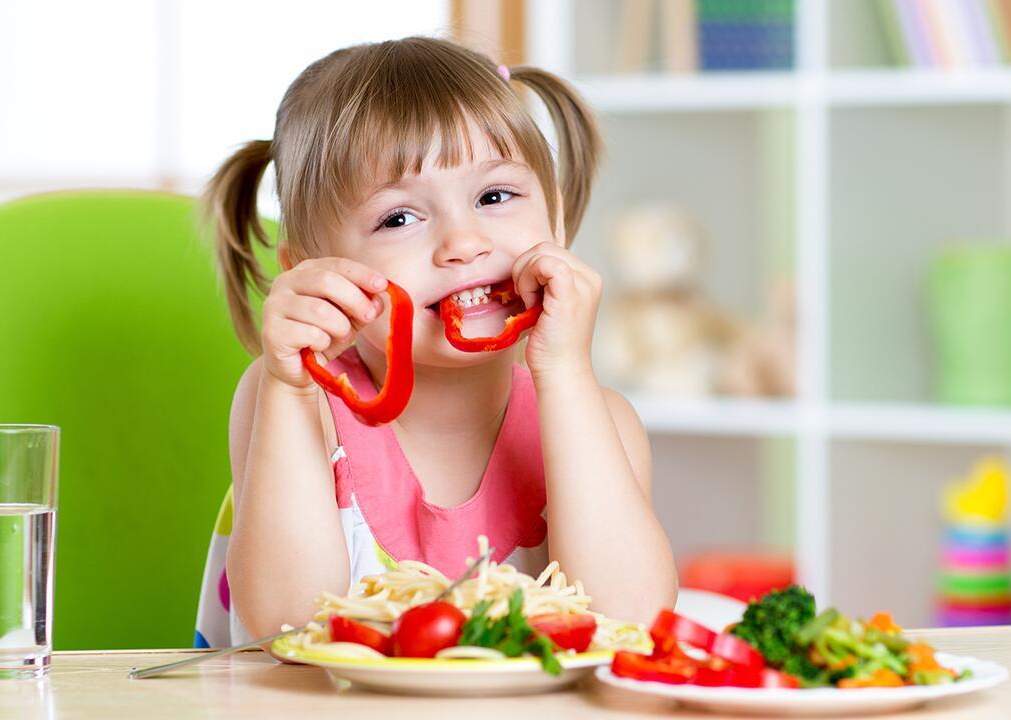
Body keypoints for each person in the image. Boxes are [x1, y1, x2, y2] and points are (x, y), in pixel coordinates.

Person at [206, 36, 676, 639]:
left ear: (555, 222)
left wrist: (565, 374)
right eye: (398, 218)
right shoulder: (301, 404)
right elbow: (287, 624)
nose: (464, 243)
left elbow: (631, 619)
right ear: (313, 270)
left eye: (494, 196)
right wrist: (290, 386)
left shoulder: (601, 419)